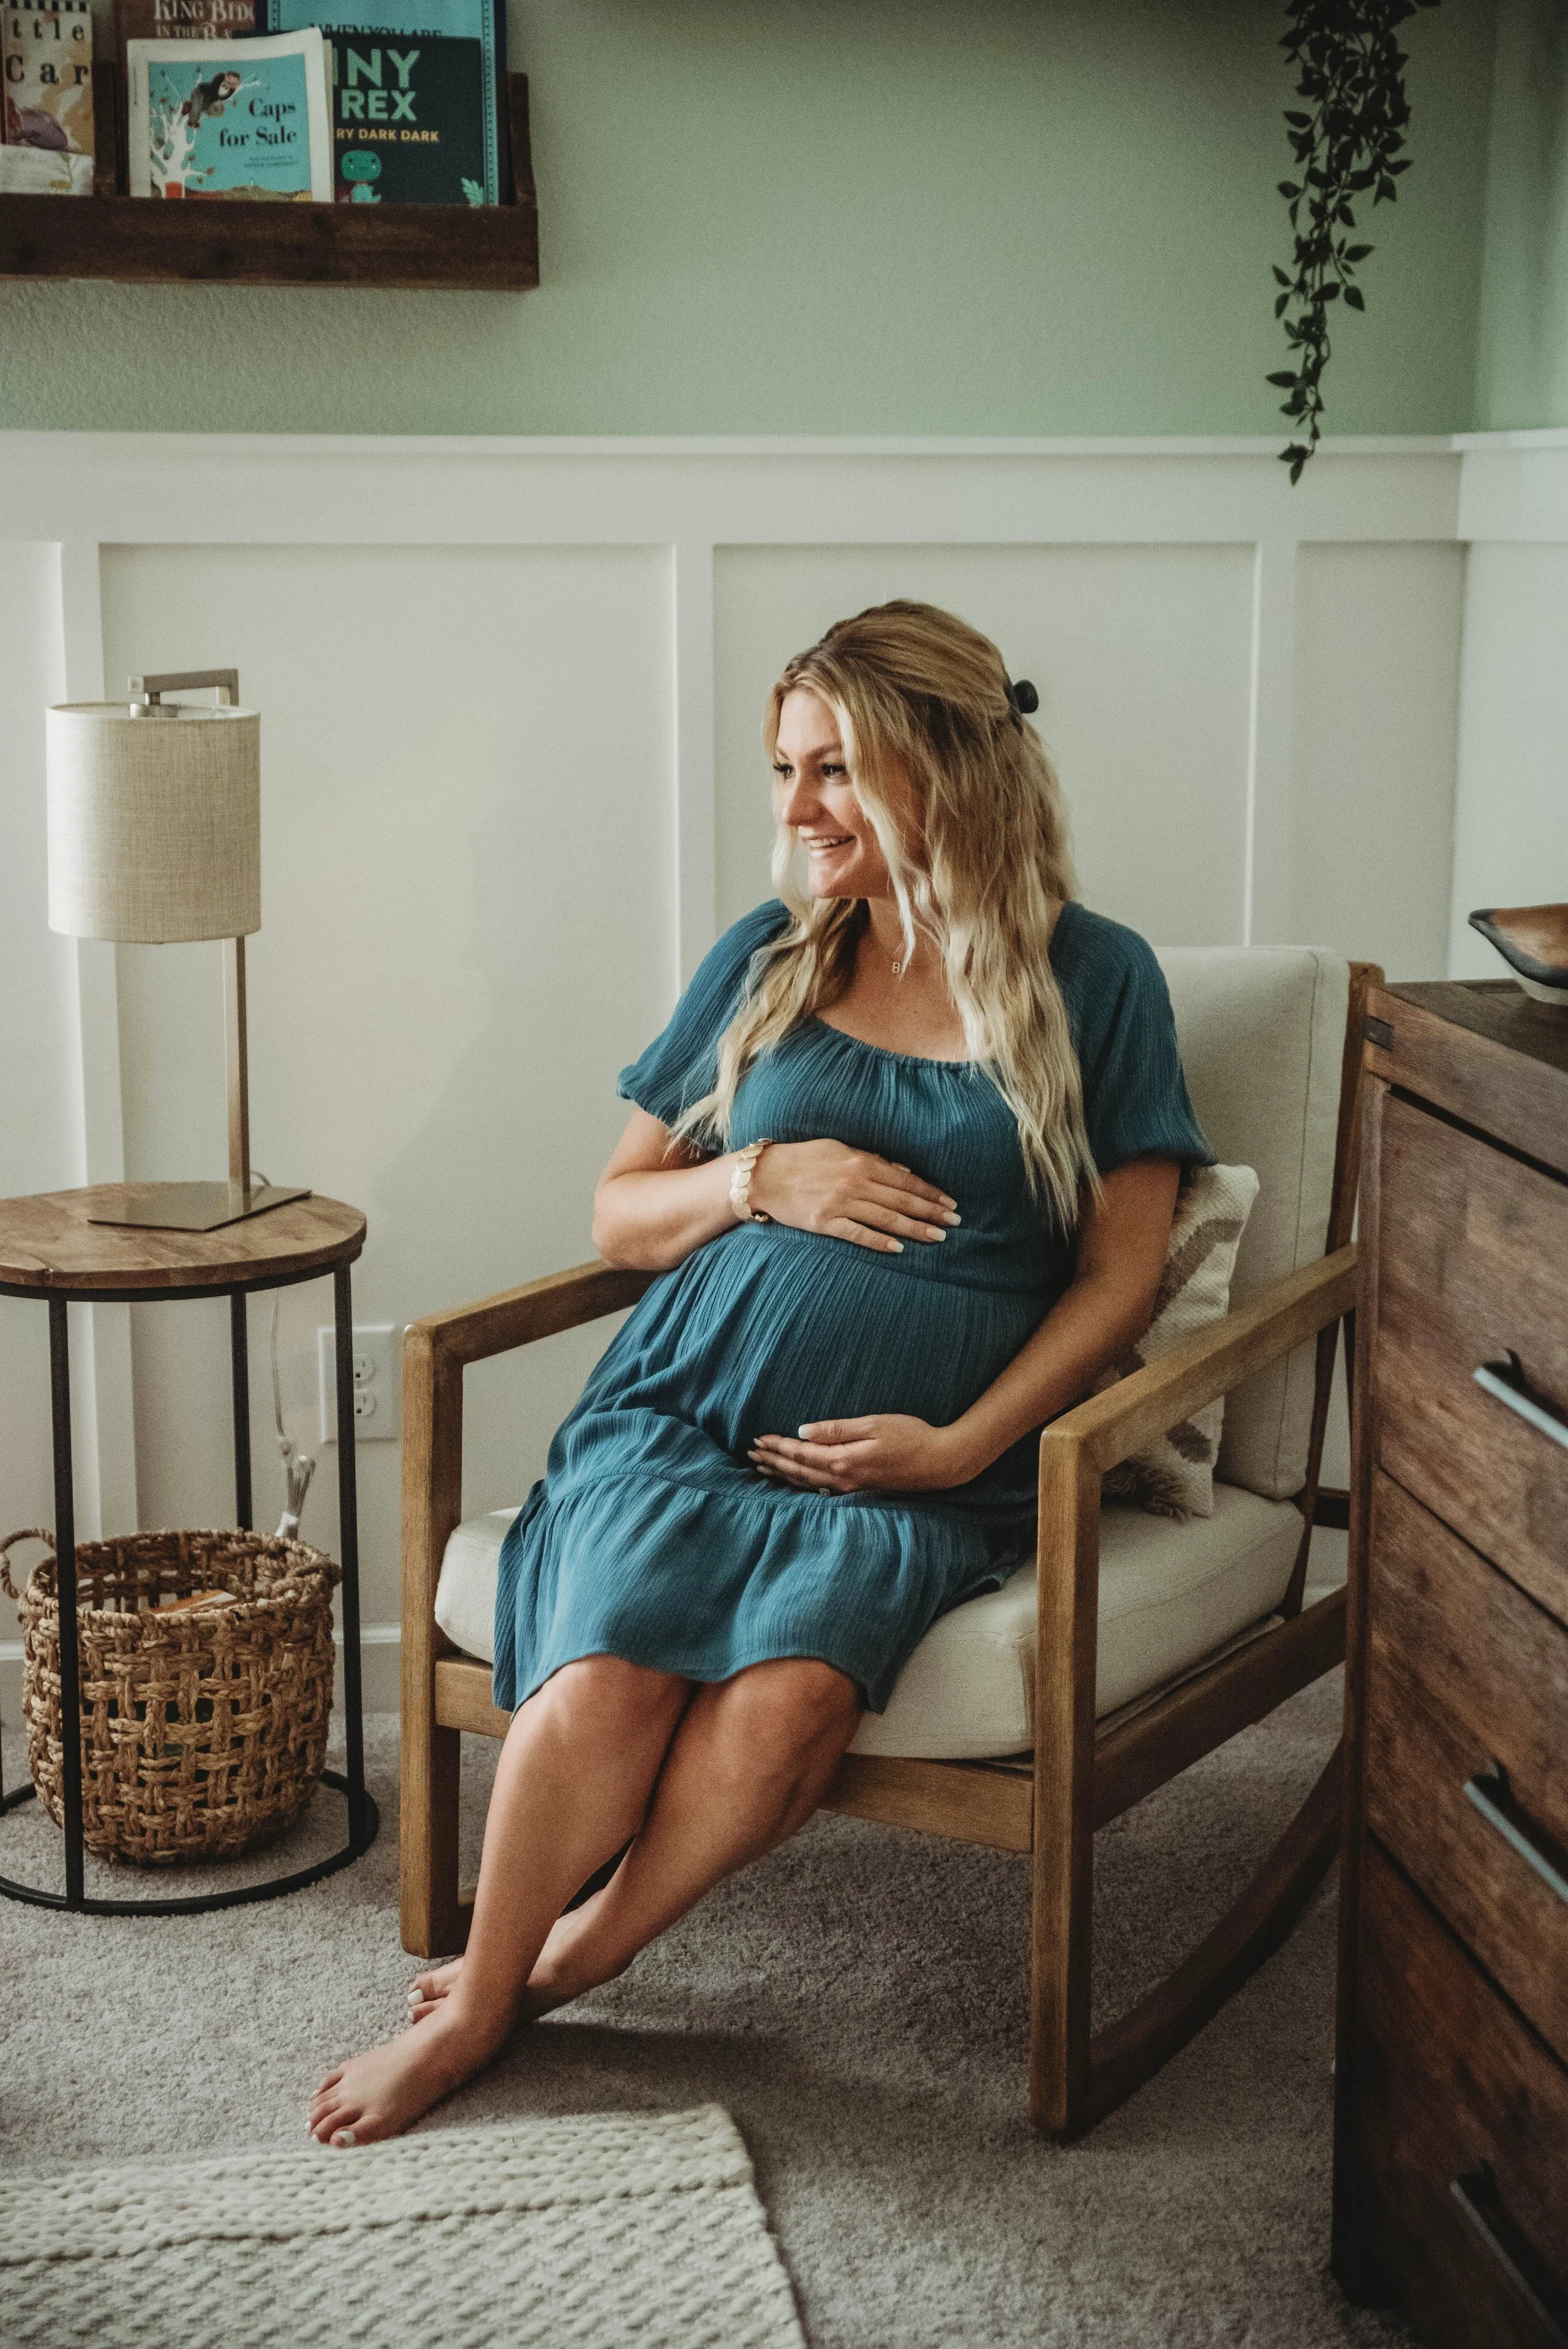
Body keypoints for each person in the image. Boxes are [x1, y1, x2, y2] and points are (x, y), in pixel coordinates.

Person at [310, 598, 1210, 2148]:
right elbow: (613, 1212)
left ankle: (565, 1956)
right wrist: (758, 1178)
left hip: (909, 1459)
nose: (793, 812)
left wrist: (956, 1449)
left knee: (790, 1706)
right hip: (684, 1414)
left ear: (945, 766)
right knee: (609, 1671)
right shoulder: (771, 960)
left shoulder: (1095, 980)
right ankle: (471, 2010)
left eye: (832, 771)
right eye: (781, 770)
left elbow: (1118, 1278)